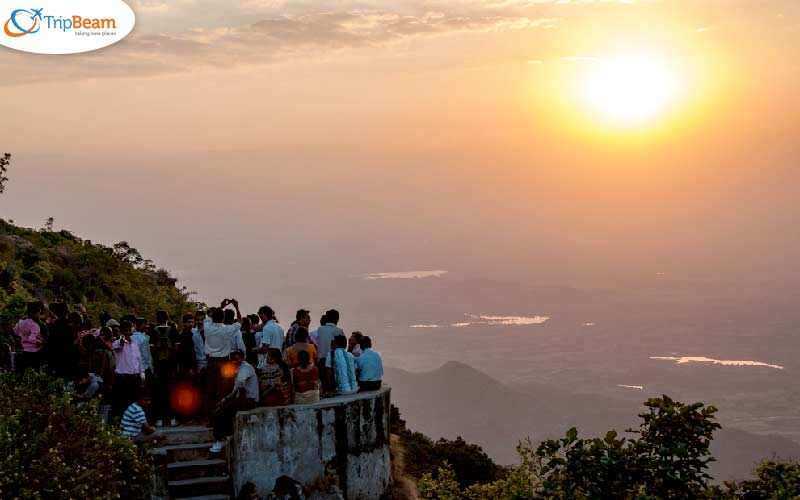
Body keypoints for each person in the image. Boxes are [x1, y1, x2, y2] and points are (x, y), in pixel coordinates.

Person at [209, 350, 259, 453]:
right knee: (218, 410)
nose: (234, 362)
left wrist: (230, 402)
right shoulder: (239, 369)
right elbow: (235, 390)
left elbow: (240, 385)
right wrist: (224, 400)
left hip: (249, 401)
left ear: (242, 358)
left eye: (236, 359)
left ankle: (223, 439)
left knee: (223, 413)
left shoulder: (245, 368)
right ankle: (222, 436)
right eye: (232, 360)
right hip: (241, 399)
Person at [204, 299, 242, 408]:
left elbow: (210, 317)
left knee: (210, 390)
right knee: (223, 390)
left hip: (210, 362)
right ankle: (220, 416)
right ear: (223, 318)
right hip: (224, 362)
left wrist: (221, 307)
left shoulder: (207, 327)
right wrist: (236, 307)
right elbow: (240, 322)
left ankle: (209, 417)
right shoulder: (227, 330)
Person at [111, 320, 145, 418]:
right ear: (121, 331)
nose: (127, 332)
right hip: (123, 378)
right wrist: (122, 340)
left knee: (134, 402)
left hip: (135, 377)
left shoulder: (134, 343)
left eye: (129, 330)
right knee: (123, 403)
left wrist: (142, 376)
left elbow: (139, 360)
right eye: (125, 331)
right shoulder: (117, 343)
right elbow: (119, 345)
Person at [316, 310, 344, 392]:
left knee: (323, 382)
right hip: (333, 359)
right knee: (333, 382)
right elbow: (343, 345)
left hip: (321, 359)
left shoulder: (319, 329)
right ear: (337, 319)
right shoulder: (339, 331)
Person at [14, 301, 45, 373]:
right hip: (36, 351)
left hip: (25, 350)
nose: (39, 315)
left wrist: (23, 338)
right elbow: (32, 339)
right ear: (34, 313)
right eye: (38, 313)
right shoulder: (35, 324)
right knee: (36, 370)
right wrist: (40, 342)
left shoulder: (21, 322)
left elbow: (15, 332)